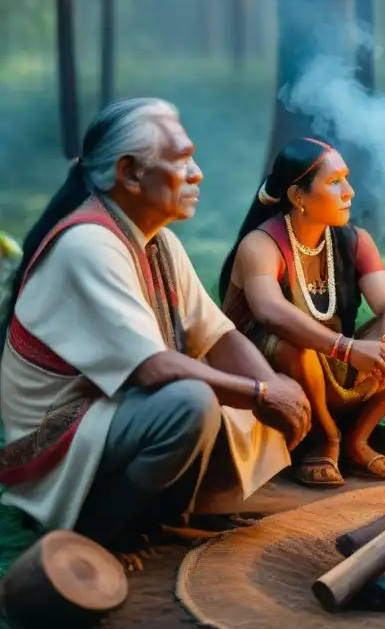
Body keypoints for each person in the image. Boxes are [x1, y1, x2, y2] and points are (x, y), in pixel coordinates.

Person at [0, 98, 311, 560]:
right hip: (55, 431)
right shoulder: (87, 243)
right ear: (128, 173)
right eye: (182, 159)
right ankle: (97, 532)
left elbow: (218, 335)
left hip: (110, 407)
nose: (197, 173)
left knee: (246, 384)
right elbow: (152, 369)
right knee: (190, 402)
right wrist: (263, 395)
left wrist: (273, 390)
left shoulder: (157, 239)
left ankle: (163, 516)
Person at [219, 138, 385, 487]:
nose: (350, 192)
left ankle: (357, 440)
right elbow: (269, 311)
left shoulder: (354, 240)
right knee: (294, 344)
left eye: (346, 178)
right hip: (270, 377)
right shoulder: (261, 244)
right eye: (335, 182)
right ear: (298, 197)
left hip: (331, 367)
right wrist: (347, 349)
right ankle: (324, 441)